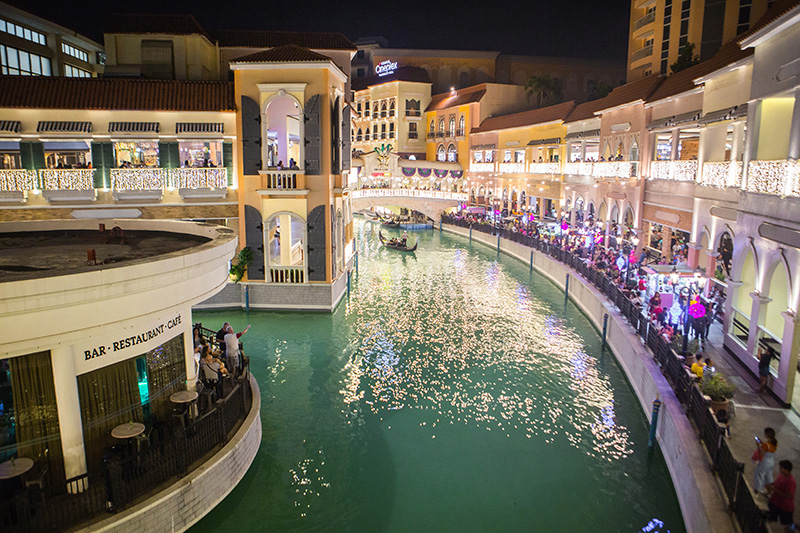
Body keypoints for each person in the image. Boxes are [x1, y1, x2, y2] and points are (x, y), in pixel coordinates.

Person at [766, 460, 796, 532]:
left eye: (781, 468)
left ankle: (794, 527)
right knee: (770, 516)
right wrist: (771, 484)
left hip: (785, 506)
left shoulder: (791, 482)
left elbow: (788, 495)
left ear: (787, 469)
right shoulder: (781, 476)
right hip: (775, 502)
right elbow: (776, 483)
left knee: (788, 524)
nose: (779, 469)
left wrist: (774, 490)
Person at [754, 427, 778, 495]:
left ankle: (756, 491)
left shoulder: (765, 445)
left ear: (766, 435)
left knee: (759, 476)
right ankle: (769, 492)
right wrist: (762, 443)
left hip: (764, 462)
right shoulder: (775, 443)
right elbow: (768, 448)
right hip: (771, 461)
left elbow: (760, 454)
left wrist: (758, 446)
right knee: (768, 477)